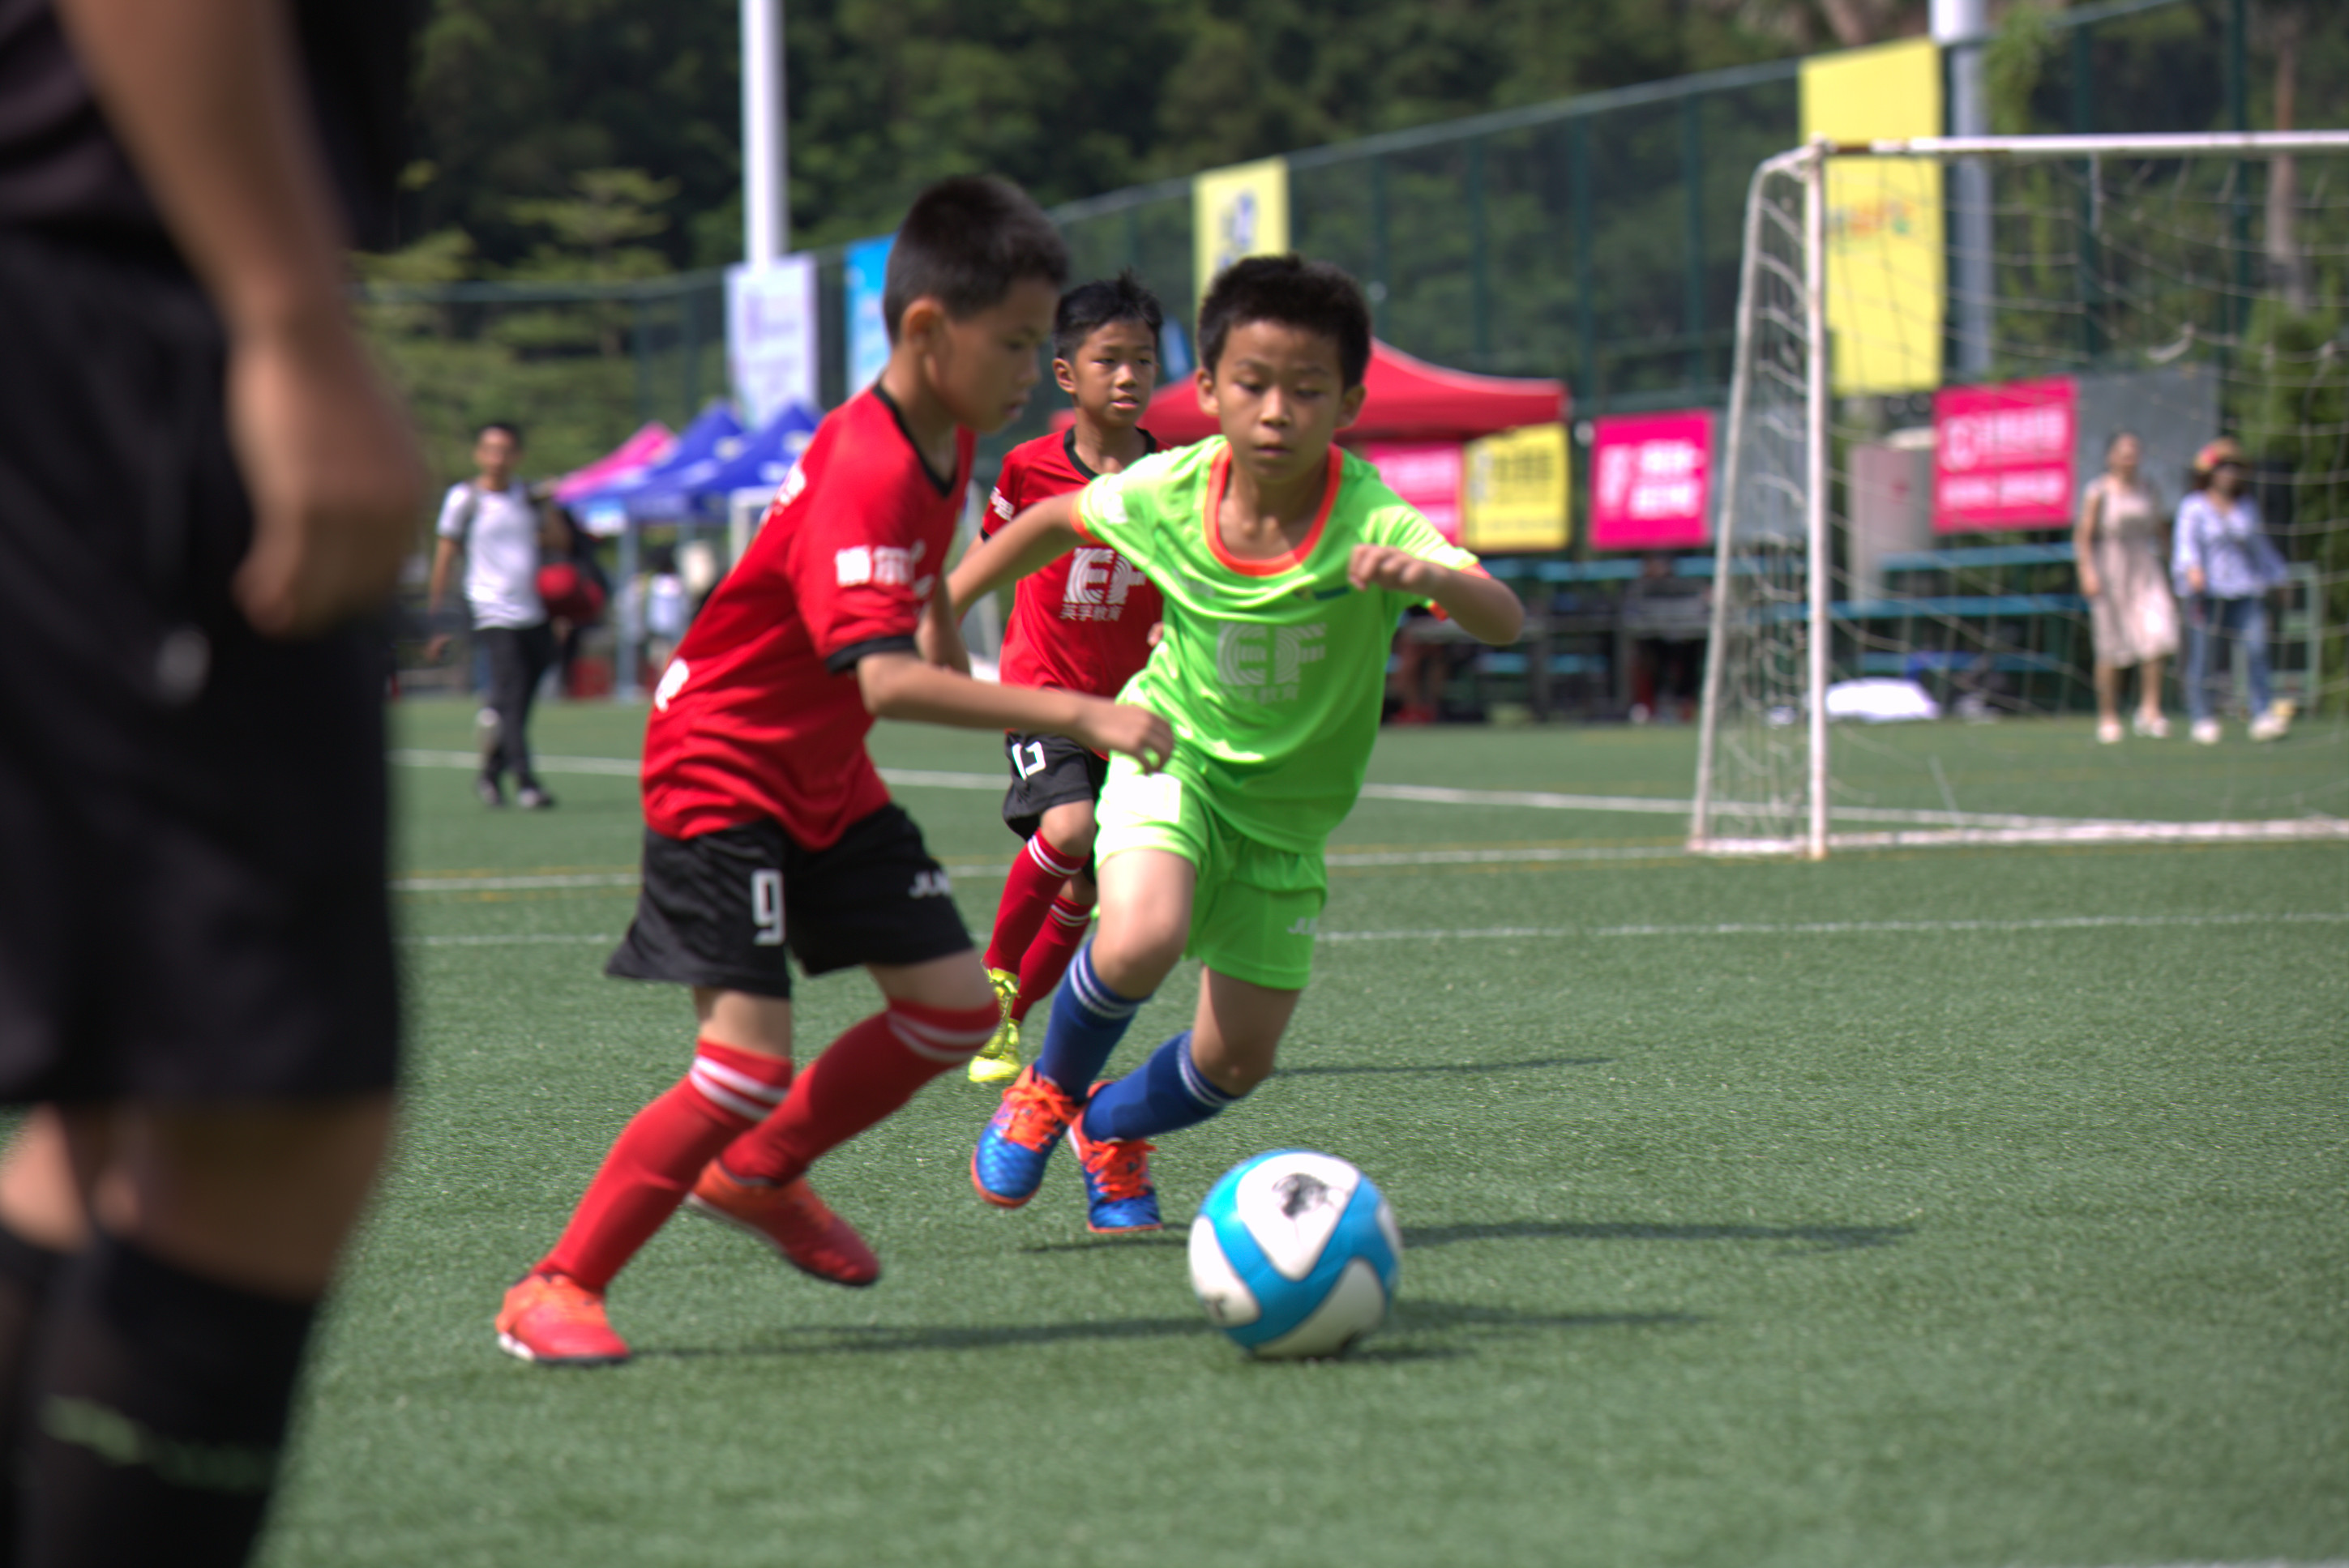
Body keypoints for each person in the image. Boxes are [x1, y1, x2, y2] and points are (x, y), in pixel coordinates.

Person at [493, 176, 1174, 1367]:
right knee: (742, 1065)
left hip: (821, 768)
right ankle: (555, 1285)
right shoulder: (867, 462)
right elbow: (886, 684)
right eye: (1018, 343)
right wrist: (1077, 711)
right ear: (928, 330)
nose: (1036, 370)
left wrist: (946, 626)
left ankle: (759, 1173)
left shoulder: (949, 434)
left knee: (952, 1010)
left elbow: (920, 595)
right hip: (721, 765)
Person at [0, 0, 419, 1562]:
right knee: (266, 1104)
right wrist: (287, 320)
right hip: (112, 298)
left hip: (93, 284)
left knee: (121, 1105)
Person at [948, 255, 1525, 1233]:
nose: (1277, 412)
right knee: (1141, 935)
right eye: (1253, 384)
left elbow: (1502, 617)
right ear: (1211, 391)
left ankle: (1108, 1128)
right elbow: (1050, 521)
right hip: (1171, 763)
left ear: (1348, 404)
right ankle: (1046, 1089)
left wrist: (1436, 579)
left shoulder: (1371, 516)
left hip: (1286, 827)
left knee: (1236, 1063)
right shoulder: (1172, 487)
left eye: (1308, 390)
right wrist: (942, 605)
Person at [968, 271, 1168, 1087]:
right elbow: (989, 558)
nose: (1128, 376)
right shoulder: (1027, 470)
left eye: (1143, 360)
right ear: (1065, 373)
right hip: (1044, 691)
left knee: (1086, 892)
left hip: (1133, 709)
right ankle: (995, 978)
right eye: (1108, 360)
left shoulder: (1177, 477)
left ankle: (1009, 1026)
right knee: (1070, 827)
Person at [426, 421, 560, 808]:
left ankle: (489, 772)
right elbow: (445, 556)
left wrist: (549, 504)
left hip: (532, 610)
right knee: (514, 692)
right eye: (490, 449)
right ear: (478, 454)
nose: (497, 458)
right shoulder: (464, 498)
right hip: (491, 610)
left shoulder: (526, 497)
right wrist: (437, 618)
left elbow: (558, 541)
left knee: (519, 698)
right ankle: (526, 783)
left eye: (505, 450)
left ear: (517, 455)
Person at [2173, 438, 2291, 745]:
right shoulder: (2194, 505)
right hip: (2207, 593)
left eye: (2235, 467)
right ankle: (2202, 717)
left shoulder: (2246, 506)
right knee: (2204, 656)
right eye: (2223, 466)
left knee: (2257, 648)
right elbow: (2185, 545)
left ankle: (2262, 712)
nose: (2229, 473)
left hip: (2245, 590)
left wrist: (2279, 577)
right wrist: (2192, 569)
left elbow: (2260, 547)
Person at [2074, 431, 2179, 744]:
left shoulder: (2148, 489)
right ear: (2111, 456)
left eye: (2134, 451)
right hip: (2111, 570)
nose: (2129, 457)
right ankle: (2108, 716)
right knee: (2111, 646)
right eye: (2123, 451)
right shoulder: (2098, 491)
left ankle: (2150, 710)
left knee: (2158, 635)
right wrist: (2087, 571)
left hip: (2145, 569)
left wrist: (2173, 566)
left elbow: (2161, 530)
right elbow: (2084, 535)